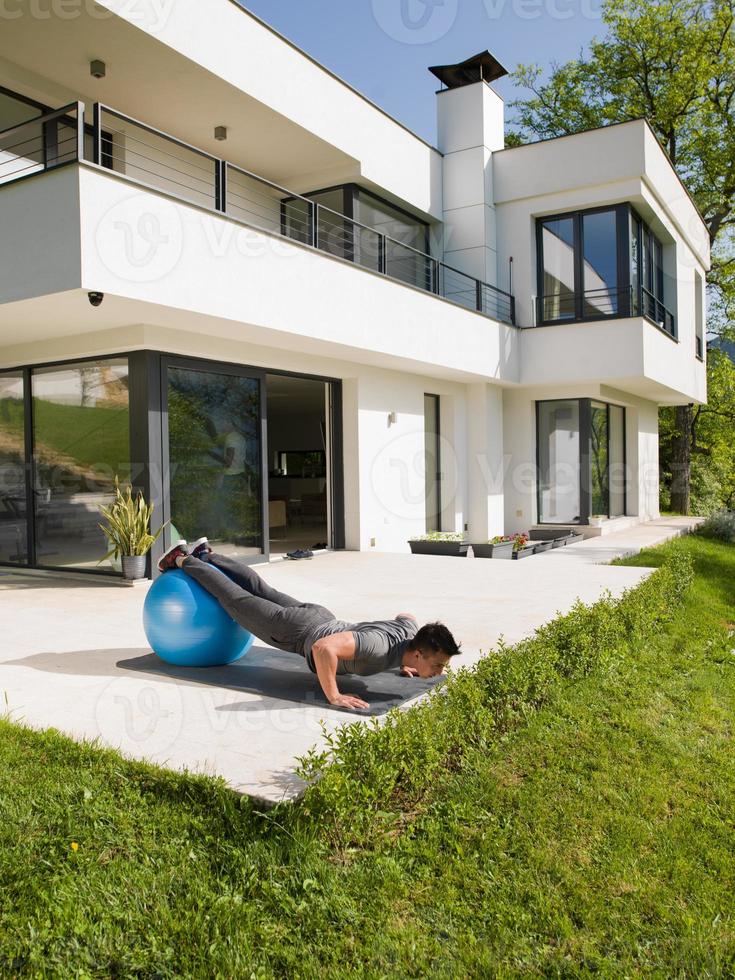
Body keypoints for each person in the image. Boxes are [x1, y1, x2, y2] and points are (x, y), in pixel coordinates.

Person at [158, 538, 461, 711]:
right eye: (437, 665)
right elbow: (322, 648)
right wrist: (334, 695)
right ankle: (183, 559)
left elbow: (405, 615)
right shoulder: (378, 648)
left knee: (262, 589)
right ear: (420, 653)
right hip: (297, 632)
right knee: (235, 600)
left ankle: (207, 554)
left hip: (319, 615)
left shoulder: (410, 634)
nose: (439, 672)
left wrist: (403, 663)